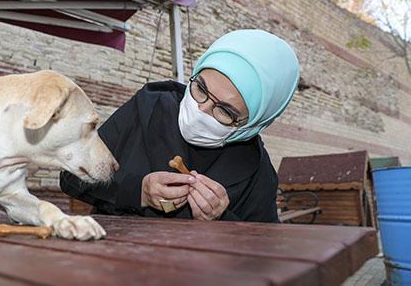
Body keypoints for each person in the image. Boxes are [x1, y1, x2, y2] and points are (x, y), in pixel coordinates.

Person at [60, 29, 300, 222]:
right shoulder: (148, 106)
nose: (202, 109)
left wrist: (223, 219)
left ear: (252, 124)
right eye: (201, 88)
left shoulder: (256, 171)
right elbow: (70, 177)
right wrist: (138, 192)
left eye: (226, 111)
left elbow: (263, 251)